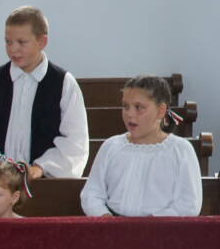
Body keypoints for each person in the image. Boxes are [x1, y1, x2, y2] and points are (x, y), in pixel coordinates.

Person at [0, 6, 89, 178]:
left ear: (42, 42)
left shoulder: (64, 84)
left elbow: (75, 142)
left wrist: (41, 167)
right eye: (8, 42)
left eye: (21, 42)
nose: (13, 49)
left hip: (43, 183)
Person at [81, 76, 203, 217]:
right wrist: (105, 217)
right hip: (112, 226)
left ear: (161, 111)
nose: (129, 114)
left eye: (139, 107)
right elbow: (91, 194)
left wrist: (150, 224)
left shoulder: (180, 150)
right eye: (125, 106)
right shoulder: (111, 146)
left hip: (162, 228)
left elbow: (189, 204)